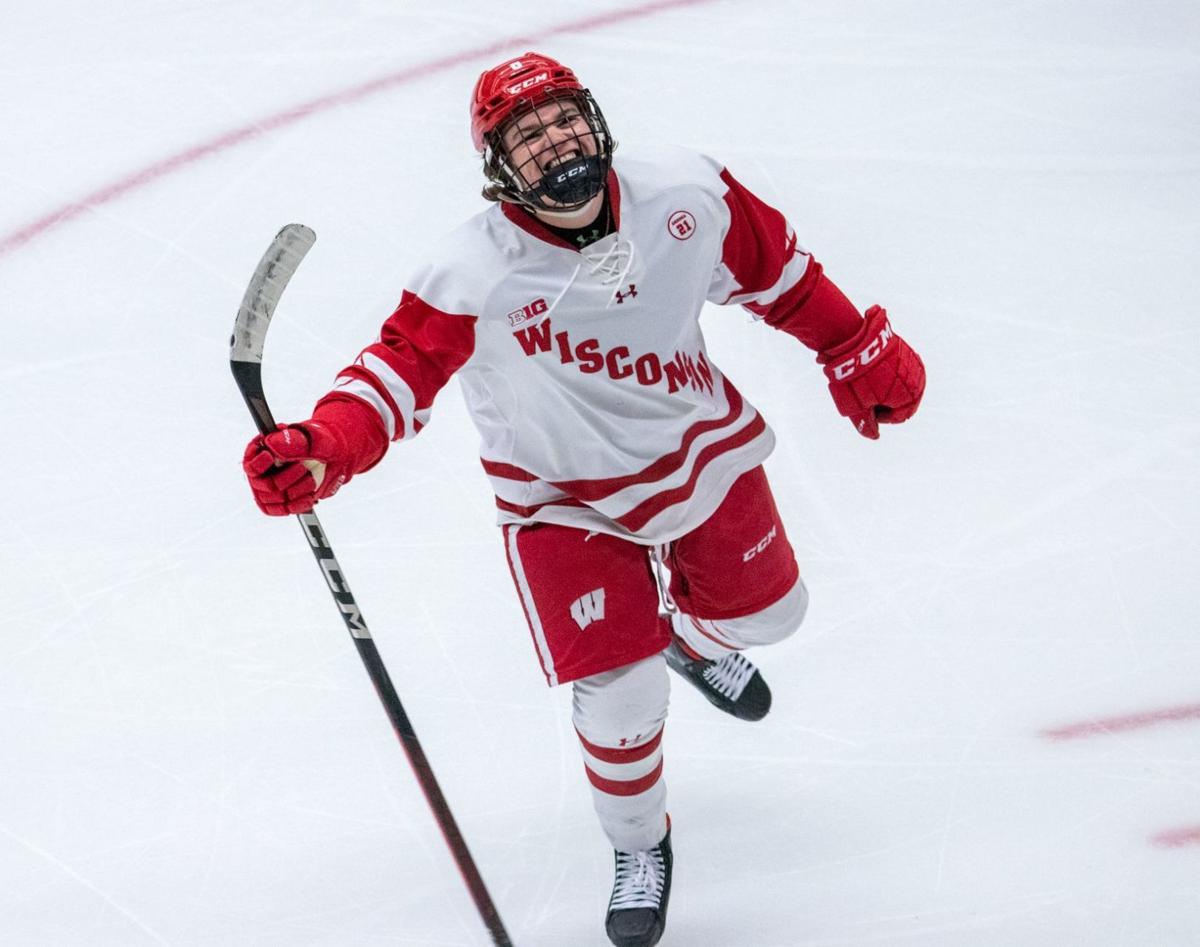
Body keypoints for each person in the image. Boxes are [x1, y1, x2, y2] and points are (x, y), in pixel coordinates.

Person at [242, 52, 925, 947]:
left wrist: (851, 344)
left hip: (696, 449)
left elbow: (778, 273)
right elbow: (392, 375)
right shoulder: (470, 271)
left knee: (774, 617)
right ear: (499, 169)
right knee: (619, 692)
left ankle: (687, 636)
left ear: (597, 119)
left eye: (564, 117)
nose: (554, 139)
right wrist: (325, 448)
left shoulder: (688, 190)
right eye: (526, 134)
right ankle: (642, 845)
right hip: (560, 497)